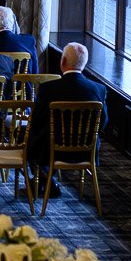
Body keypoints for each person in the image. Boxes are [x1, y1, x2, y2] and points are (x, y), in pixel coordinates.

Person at [28, 42, 109, 199]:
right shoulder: (98, 89)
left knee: (29, 136)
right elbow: (103, 123)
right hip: (86, 151)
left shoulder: (48, 88)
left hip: (52, 150)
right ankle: (47, 179)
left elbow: (37, 120)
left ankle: (45, 178)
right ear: (84, 64)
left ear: (62, 61)